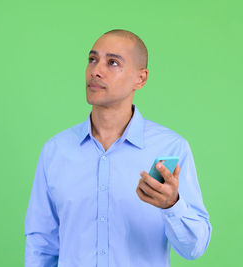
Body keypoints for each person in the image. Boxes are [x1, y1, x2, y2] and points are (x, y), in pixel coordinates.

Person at [23, 29, 212, 267]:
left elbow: (194, 248)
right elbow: (41, 244)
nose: (96, 71)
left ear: (140, 79)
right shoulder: (56, 150)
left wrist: (172, 205)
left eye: (112, 62)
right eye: (93, 59)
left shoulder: (169, 149)